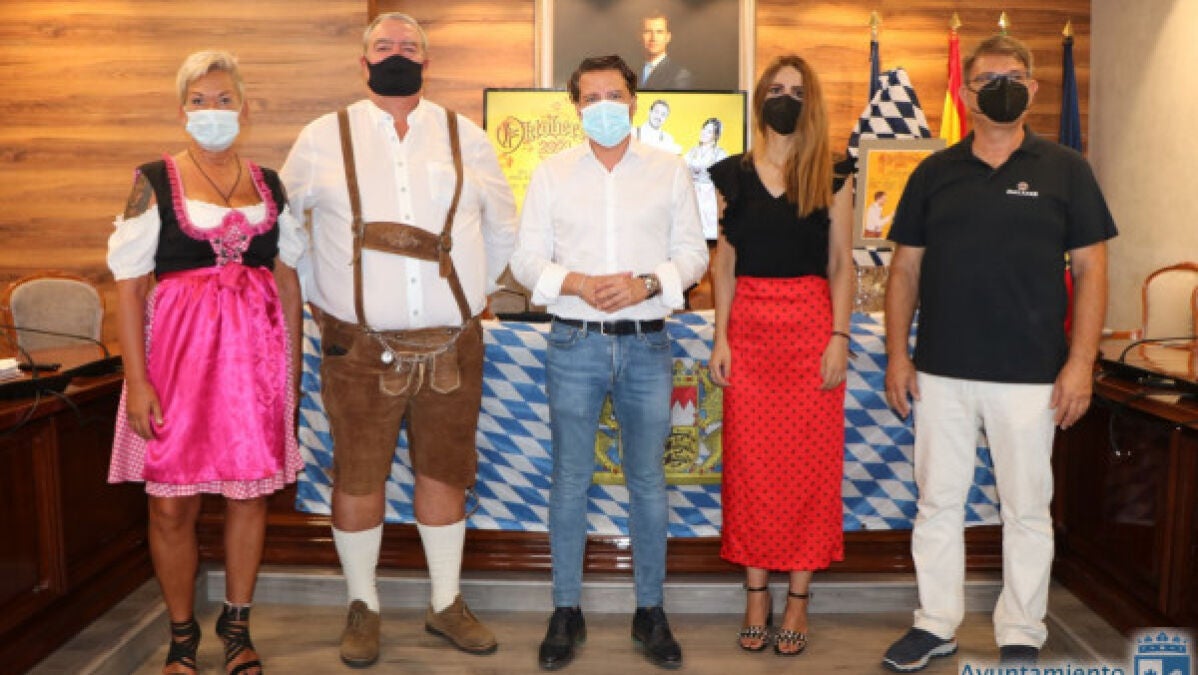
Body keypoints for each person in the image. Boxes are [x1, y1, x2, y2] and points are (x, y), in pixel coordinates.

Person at [279, 12, 518, 667]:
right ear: (363, 62)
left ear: (426, 61)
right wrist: (324, 299)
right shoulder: (321, 138)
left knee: (446, 472)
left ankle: (446, 601)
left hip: (453, 345)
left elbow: (503, 226)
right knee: (358, 475)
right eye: (383, 46)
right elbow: (287, 234)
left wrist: (470, 293)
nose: (396, 55)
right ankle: (364, 605)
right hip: (357, 350)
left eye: (409, 47)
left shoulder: (467, 137)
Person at [880, 35, 1116, 672]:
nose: (1001, 88)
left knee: (1027, 509)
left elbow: (1092, 270)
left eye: (1013, 77)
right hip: (941, 372)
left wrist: (1081, 364)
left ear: (1033, 89)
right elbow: (904, 271)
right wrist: (898, 356)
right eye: (988, 79)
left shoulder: (1067, 169)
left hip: (1032, 374)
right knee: (937, 504)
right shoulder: (934, 173)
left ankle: (1021, 630)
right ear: (966, 93)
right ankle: (935, 624)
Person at [107, 50, 304, 675]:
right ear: (181, 110)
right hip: (176, 363)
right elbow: (130, 287)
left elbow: (287, 280)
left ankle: (237, 628)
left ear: (244, 108)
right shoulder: (153, 180)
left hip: (254, 368)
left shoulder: (269, 184)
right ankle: (182, 635)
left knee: (249, 497)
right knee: (171, 504)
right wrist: (137, 382)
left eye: (224, 100)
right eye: (199, 101)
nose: (211, 111)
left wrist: (292, 374)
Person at [510, 54, 708, 671]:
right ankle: (565, 609)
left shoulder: (669, 170)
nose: (603, 106)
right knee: (570, 479)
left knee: (647, 480)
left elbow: (694, 256)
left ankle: (650, 609)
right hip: (575, 342)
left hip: (647, 343)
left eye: (614, 95)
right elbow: (525, 260)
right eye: (590, 97)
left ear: (633, 101)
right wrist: (576, 283)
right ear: (575, 107)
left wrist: (647, 283)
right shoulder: (552, 174)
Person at [707, 54, 854, 658]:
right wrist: (720, 337)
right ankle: (755, 595)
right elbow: (724, 263)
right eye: (775, 89)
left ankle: (797, 599)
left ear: (809, 101)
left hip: (811, 331)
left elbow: (841, 263)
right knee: (750, 469)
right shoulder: (732, 174)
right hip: (748, 332)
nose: (785, 99)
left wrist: (839, 336)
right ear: (760, 98)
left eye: (796, 90)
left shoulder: (833, 172)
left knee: (809, 470)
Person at [683, 117, 729, 240]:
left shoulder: (719, 153)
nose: (704, 133)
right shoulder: (692, 151)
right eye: (704, 129)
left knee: (709, 231)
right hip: (692, 193)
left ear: (715, 136)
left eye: (709, 131)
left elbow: (724, 177)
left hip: (710, 196)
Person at [639, 11, 693, 90]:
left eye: (659, 32)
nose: (653, 38)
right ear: (640, 36)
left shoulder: (680, 75)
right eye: (648, 31)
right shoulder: (631, 70)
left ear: (668, 37)